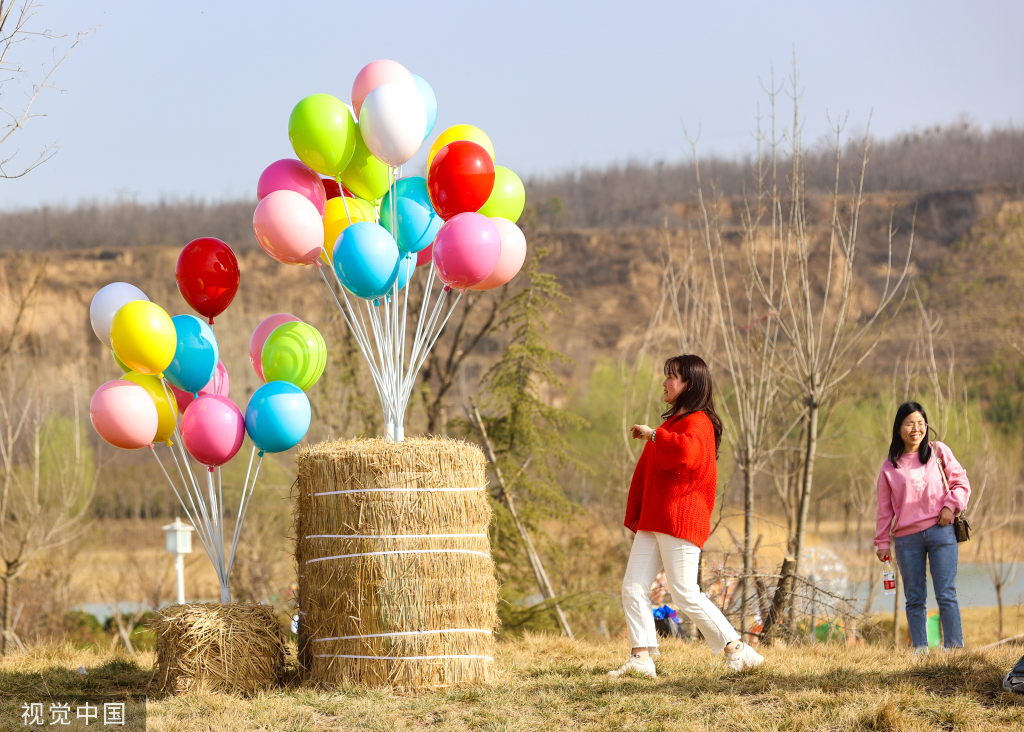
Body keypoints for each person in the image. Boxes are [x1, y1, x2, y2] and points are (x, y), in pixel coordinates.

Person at [609, 354, 763, 679]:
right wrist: (656, 434)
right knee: (633, 587)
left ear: (689, 384)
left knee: (684, 593)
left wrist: (653, 434)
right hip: (656, 519)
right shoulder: (675, 423)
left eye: (672, 376)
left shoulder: (699, 422)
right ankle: (640, 658)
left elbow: (685, 453)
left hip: (679, 518)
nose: (665, 382)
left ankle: (737, 649)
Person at [874, 401, 970, 651]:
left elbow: (961, 483)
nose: (915, 429)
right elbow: (884, 509)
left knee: (946, 594)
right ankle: (921, 650)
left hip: (941, 532)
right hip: (907, 540)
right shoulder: (889, 466)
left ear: (926, 426)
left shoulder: (938, 452)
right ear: (898, 429)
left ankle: (954, 650)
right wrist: (882, 542)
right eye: (909, 424)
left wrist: (950, 507)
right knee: (914, 598)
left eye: (920, 423)